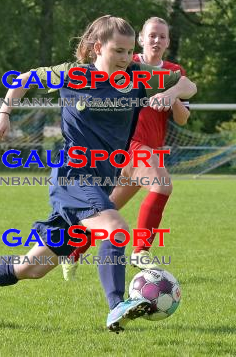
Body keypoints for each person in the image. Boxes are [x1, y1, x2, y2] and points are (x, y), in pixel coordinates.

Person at [0, 15, 196, 332]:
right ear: (98, 48)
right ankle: (116, 307)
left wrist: (171, 92)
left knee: (31, 267)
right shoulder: (72, 75)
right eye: (118, 51)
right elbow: (24, 79)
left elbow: (188, 85)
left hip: (100, 181)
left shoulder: (137, 77)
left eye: (128, 52)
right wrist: (4, 113)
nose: (126, 59)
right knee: (116, 229)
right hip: (72, 175)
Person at [62, 16, 190, 280]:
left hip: (150, 149)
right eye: (152, 35)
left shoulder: (173, 72)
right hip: (130, 144)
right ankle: (141, 251)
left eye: (162, 36)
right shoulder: (129, 65)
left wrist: (171, 93)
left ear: (168, 42)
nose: (157, 40)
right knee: (162, 185)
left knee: (107, 210)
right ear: (141, 39)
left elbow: (182, 118)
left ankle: (72, 250)